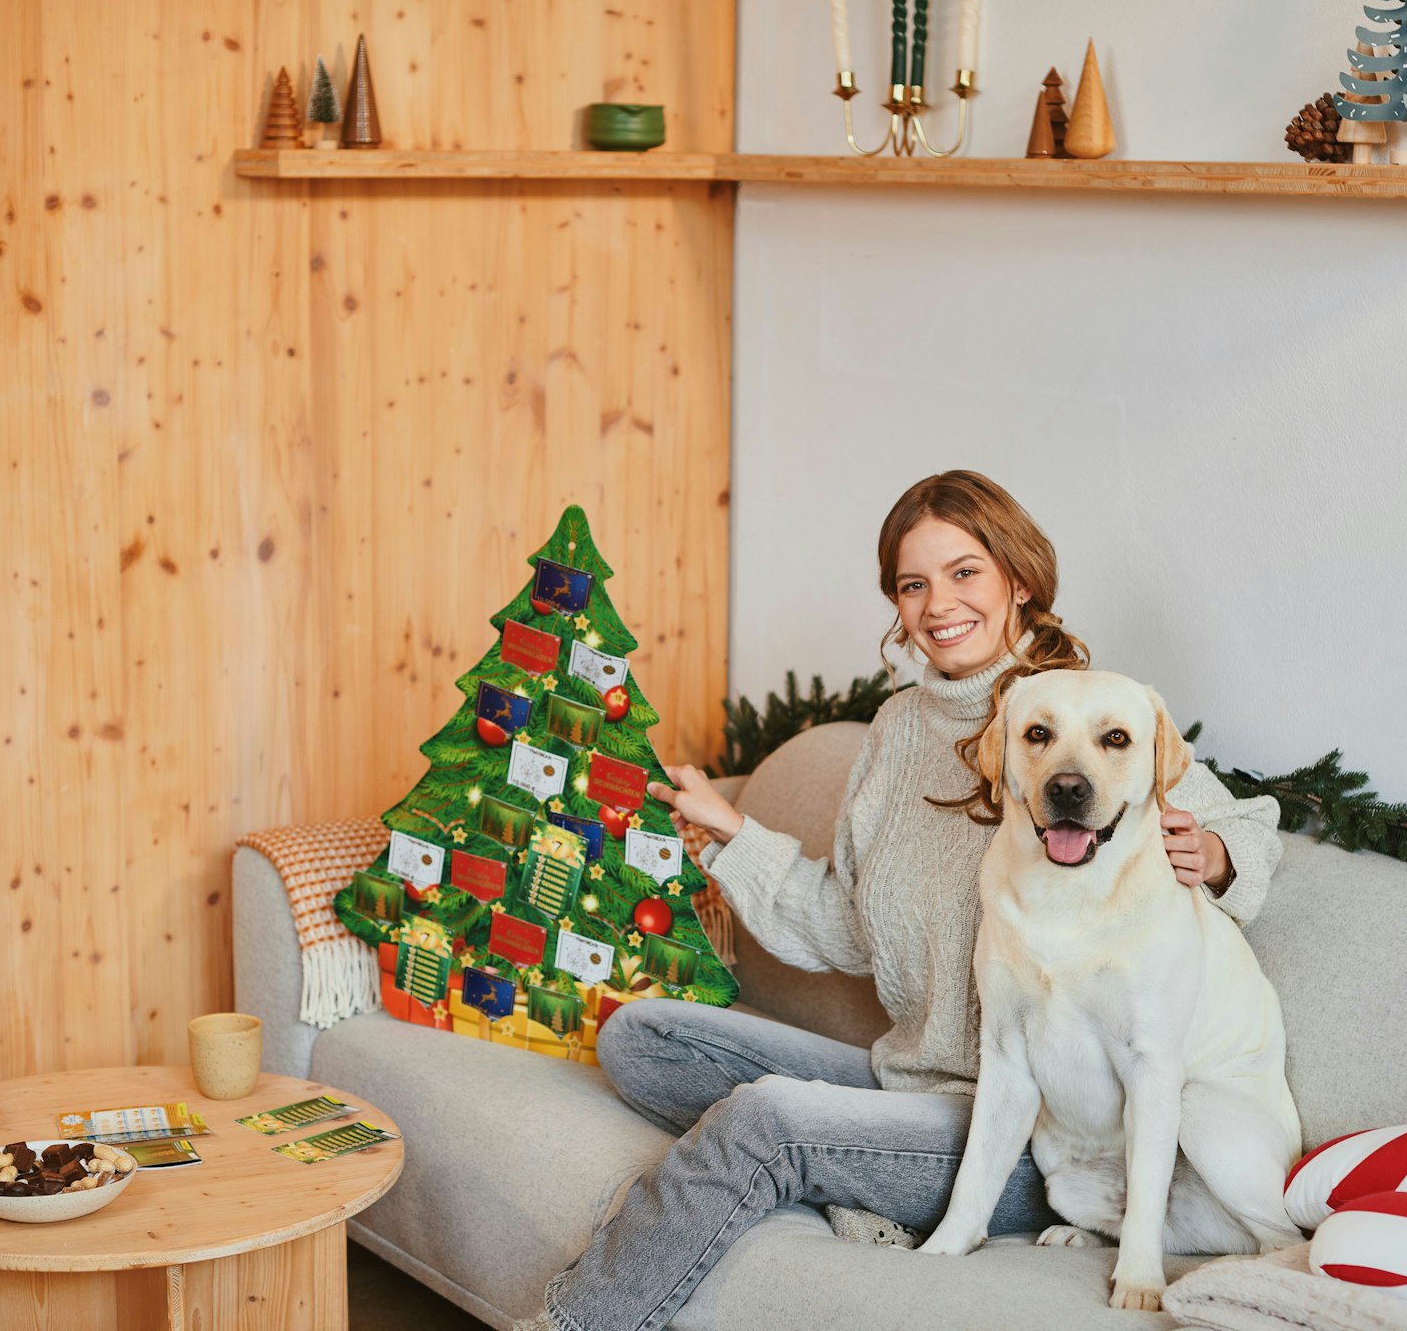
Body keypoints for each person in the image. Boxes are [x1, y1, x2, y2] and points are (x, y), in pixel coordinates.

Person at [523, 471, 1282, 1331]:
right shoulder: (894, 732)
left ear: (1017, 581)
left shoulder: (1088, 713)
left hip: (1030, 1133)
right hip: (904, 1077)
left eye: (965, 573)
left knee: (766, 1120)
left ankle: (572, 1323)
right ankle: (846, 1158)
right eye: (913, 585)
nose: (937, 604)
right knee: (641, 1035)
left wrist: (1214, 855)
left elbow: (1247, 828)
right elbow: (853, 929)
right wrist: (731, 835)